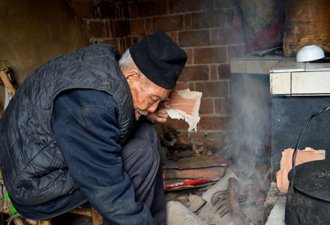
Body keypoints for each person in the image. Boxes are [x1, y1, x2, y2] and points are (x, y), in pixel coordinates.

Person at [0, 29, 187, 225]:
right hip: (35, 185)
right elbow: (106, 186)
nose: (155, 107)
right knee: (143, 154)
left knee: (147, 133)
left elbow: (111, 119)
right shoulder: (92, 105)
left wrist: (146, 110)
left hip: (49, 158)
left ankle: (154, 221)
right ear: (131, 77)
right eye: (154, 99)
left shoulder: (110, 66)